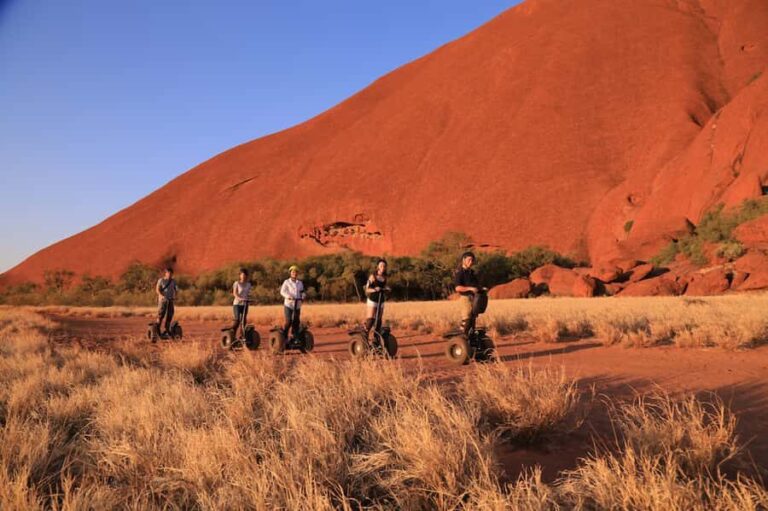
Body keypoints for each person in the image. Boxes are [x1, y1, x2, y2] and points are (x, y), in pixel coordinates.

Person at [453, 251, 480, 334]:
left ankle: (470, 340)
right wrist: (470, 289)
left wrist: (481, 288)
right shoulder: (459, 273)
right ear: (463, 260)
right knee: (467, 318)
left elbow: (476, 285)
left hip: (474, 298)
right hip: (465, 298)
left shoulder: (472, 273)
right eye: (469, 260)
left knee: (473, 319)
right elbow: (457, 288)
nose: (471, 262)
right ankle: (461, 337)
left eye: (472, 260)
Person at [364, 259, 390, 337]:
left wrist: (387, 288)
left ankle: (376, 339)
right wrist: (375, 289)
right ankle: (364, 336)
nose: (382, 267)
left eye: (384, 266)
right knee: (371, 320)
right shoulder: (373, 276)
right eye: (381, 265)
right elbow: (367, 289)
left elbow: (384, 286)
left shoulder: (385, 277)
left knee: (378, 321)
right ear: (378, 267)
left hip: (381, 300)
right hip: (372, 300)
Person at [280, 265, 306, 338]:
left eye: (296, 272)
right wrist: (288, 296)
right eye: (293, 272)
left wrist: (303, 296)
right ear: (290, 273)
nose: (294, 273)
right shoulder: (286, 282)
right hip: (289, 305)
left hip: (297, 305)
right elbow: (282, 291)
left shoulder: (300, 283)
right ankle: (284, 336)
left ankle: (294, 336)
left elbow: (302, 291)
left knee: (296, 321)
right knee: (288, 321)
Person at [155, 267, 177, 336]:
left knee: (170, 314)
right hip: (163, 301)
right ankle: (157, 330)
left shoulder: (173, 281)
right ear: (165, 273)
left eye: (171, 273)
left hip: (170, 300)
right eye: (168, 273)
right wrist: (162, 296)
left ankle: (167, 329)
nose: (170, 274)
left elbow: (176, 289)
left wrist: (175, 296)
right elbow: (157, 290)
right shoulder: (161, 280)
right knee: (161, 315)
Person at [231, 268, 252, 337]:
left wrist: (250, 298)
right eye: (242, 275)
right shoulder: (237, 283)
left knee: (243, 321)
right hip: (237, 304)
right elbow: (234, 293)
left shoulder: (248, 284)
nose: (243, 276)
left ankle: (241, 335)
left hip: (245, 304)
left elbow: (249, 293)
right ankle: (232, 333)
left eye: (245, 275)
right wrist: (240, 298)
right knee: (237, 319)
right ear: (240, 275)